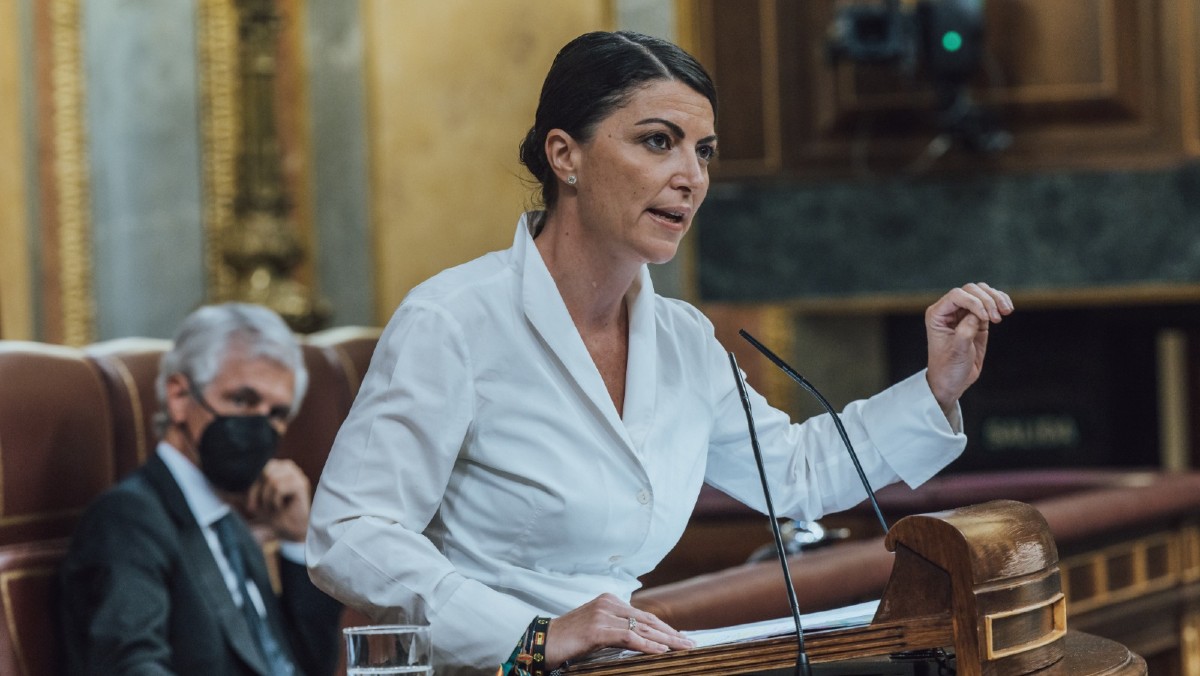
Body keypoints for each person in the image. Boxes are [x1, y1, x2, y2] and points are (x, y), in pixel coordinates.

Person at [306, 30, 1013, 676]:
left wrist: (936, 388)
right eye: (657, 141)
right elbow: (349, 532)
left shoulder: (683, 338)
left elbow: (796, 475)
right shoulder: (453, 320)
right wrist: (533, 633)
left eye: (702, 151)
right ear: (565, 155)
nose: (691, 176)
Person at [59, 303, 343, 675]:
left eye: (276, 414)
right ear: (179, 397)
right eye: (242, 400)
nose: (260, 427)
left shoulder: (232, 527)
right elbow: (133, 666)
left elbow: (306, 664)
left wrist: (295, 539)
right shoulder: (130, 518)